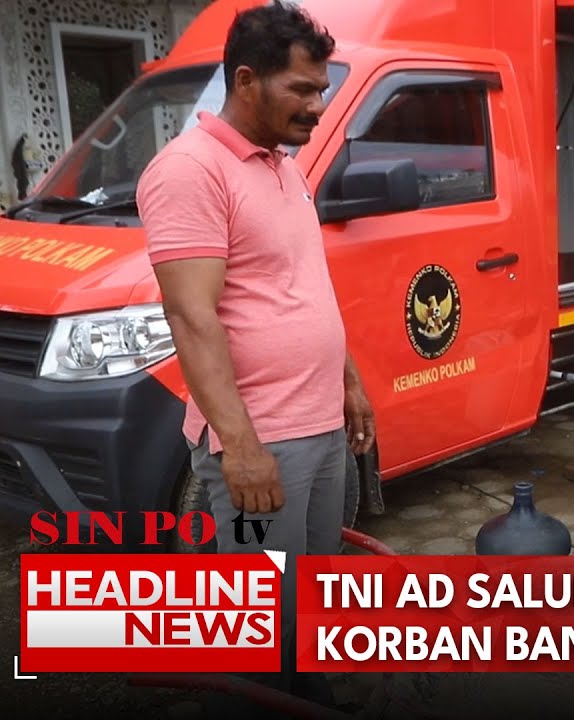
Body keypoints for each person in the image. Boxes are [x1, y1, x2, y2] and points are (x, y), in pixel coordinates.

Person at [136, 0, 373, 707]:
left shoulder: (281, 166)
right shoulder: (189, 172)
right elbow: (191, 315)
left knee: (315, 598)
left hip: (321, 428)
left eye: (321, 88)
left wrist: (349, 383)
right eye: (302, 89)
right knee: (261, 622)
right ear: (246, 80)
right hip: (261, 441)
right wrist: (240, 448)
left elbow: (307, 287)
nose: (319, 105)